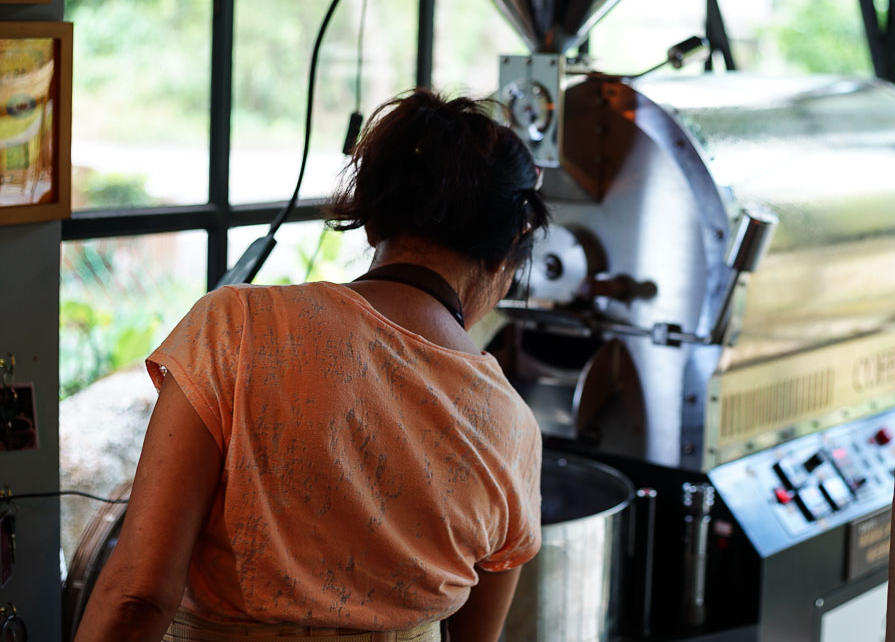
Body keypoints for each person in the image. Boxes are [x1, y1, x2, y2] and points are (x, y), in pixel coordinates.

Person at [73, 90, 550, 642]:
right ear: (506, 251)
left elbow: (137, 598)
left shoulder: (237, 329)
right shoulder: (512, 428)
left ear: (372, 223)